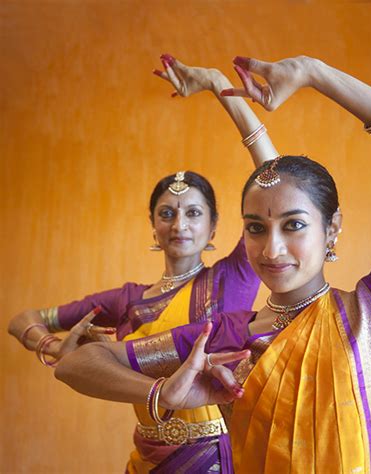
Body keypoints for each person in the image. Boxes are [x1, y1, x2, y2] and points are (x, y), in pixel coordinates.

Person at [55, 55, 371, 473]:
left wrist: (313, 73)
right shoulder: (227, 335)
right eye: (256, 228)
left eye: (294, 225)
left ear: (332, 228)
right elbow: (76, 364)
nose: (272, 250)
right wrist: (162, 394)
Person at [8, 55, 280, 473]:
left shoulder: (232, 276)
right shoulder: (127, 301)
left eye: (193, 213)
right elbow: (22, 319)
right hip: (146, 458)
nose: (179, 224)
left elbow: (273, 181)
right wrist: (50, 345)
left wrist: (216, 85)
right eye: (167, 213)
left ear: (214, 227)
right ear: (153, 226)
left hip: (215, 457)